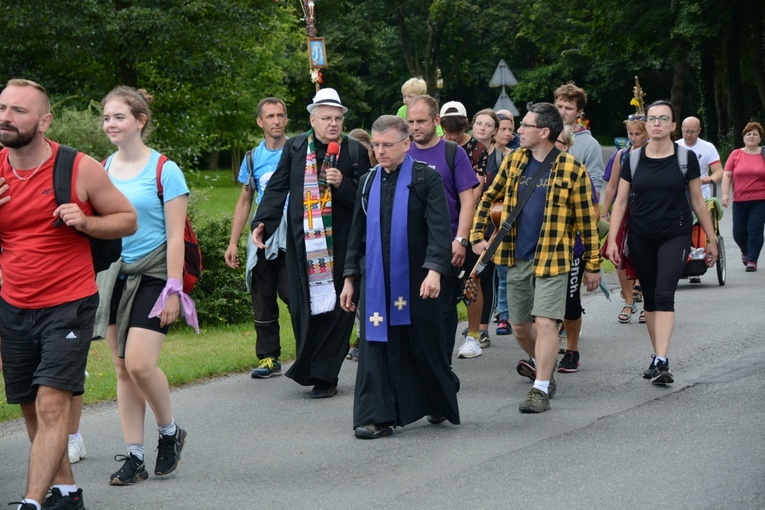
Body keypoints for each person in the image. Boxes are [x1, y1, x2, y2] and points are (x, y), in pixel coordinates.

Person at [0, 79, 137, 510]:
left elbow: (127, 220)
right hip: (13, 303)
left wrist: (86, 221)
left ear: (44, 121)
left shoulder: (77, 168)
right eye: (2, 107)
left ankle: (32, 502)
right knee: (29, 406)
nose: (6, 117)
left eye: (18, 111)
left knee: (52, 404)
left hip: (69, 303)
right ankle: (66, 492)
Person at [96, 86, 198, 487]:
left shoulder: (165, 170)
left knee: (139, 363)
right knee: (122, 368)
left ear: (140, 121)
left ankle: (169, 432)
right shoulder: (102, 168)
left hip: (156, 274)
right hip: (113, 276)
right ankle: (135, 455)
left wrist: (175, 289)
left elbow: (175, 236)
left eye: (118, 117)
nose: (110, 124)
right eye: (106, 118)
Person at [470, 102, 601, 413]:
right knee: (519, 327)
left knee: (545, 323)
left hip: (554, 259)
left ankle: (540, 387)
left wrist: (593, 266)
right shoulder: (515, 160)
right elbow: (490, 196)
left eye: (525, 126)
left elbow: (587, 223)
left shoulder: (572, 169)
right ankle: (544, 364)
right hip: (515, 256)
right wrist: (476, 236)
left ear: (544, 132)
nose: (519, 130)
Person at [340, 115, 460, 439]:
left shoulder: (425, 179)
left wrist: (435, 271)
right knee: (374, 347)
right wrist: (351, 278)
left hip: (418, 282)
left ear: (406, 144)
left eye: (387, 145)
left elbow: (439, 230)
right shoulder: (368, 182)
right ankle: (374, 416)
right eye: (376, 145)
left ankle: (438, 393)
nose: (380, 151)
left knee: (424, 346)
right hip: (376, 282)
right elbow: (357, 235)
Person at [252, 88, 371, 398]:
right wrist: (263, 222)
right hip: (303, 243)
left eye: (338, 118)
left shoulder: (355, 151)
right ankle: (310, 365)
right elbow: (277, 188)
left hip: (342, 243)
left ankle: (325, 376)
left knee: (338, 309)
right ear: (312, 119)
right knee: (304, 308)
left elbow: (368, 196)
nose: (333, 124)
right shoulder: (295, 148)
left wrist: (343, 184)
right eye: (326, 118)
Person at [606, 100, 718, 384]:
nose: (656, 123)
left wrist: (712, 239)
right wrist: (612, 240)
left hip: (675, 234)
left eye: (663, 119)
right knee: (652, 298)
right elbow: (620, 201)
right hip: (641, 236)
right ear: (646, 124)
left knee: (666, 295)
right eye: (652, 118)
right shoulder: (631, 159)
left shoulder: (685, 158)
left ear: (672, 126)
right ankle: (657, 356)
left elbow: (697, 200)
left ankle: (663, 360)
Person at [406, 95, 479, 360]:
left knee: (444, 309)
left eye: (421, 121)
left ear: (436, 121)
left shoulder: (453, 153)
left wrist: (461, 239)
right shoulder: (403, 152)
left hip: (447, 245)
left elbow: (467, 199)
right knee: (414, 309)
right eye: (411, 122)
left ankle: (442, 366)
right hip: (411, 248)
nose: (415, 127)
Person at [225, 98, 290, 379]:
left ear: (286, 119)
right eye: (270, 116)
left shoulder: (299, 149)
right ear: (260, 122)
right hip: (262, 234)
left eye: (280, 115)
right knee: (262, 295)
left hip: (295, 234)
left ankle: (308, 353)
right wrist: (233, 242)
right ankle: (268, 357)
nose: (276, 121)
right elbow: (244, 200)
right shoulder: (253, 157)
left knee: (294, 293)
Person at [440, 101, 491, 357]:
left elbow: (477, 186)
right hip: (442, 220)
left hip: (470, 221)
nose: (452, 134)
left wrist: (465, 219)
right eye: (447, 129)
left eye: (457, 128)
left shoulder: (477, 148)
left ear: (465, 124)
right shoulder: (437, 145)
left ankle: (473, 334)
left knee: (472, 277)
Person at [554, 126, 601, 373]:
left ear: (568, 146)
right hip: (540, 252)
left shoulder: (577, 171)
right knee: (540, 308)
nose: (554, 146)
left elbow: (594, 213)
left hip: (572, 250)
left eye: (559, 143)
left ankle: (571, 351)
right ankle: (540, 353)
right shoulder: (532, 168)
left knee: (570, 303)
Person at [601, 116, 649, 324]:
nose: (634, 138)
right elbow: (611, 186)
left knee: (645, 256)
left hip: (646, 211)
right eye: (630, 134)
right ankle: (629, 301)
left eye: (638, 134)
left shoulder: (654, 154)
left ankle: (649, 303)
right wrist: (604, 212)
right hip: (624, 210)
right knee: (619, 254)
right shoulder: (622, 155)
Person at [345, 128, 376, 362]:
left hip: (376, 244)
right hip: (358, 241)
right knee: (356, 294)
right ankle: (359, 339)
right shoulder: (365, 178)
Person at [721, 121, 765, 272]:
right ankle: (745, 251)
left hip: (760, 199)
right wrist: (725, 194)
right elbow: (727, 175)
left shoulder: (763, 154)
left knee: (755, 229)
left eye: (755, 134)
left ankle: (752, 259)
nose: (751, 136)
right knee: (738, 233)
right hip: (740, 200)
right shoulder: (736, 154)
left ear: (760, 138)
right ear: (744, 137)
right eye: (748, 134)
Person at [554, 83, 605, 196]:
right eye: (559, 106)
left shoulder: (590, 144)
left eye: (568, 108)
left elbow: (595, 183)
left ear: (579, 112)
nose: (562, 112)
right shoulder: (544, 135)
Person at [492, 111, 518, 336]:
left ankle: (507, 315)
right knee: (494, 273)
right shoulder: (486, 155)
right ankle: (500, 312)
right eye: (503, 129)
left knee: (506, 271)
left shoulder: (517, 156)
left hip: (507, 218)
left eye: (511, 130)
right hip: (490, 217)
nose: (507, 134)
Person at [678, 116, 723, 200]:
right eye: (686, 131)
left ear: (699, 130)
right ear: (681, 129)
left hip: (702, 195)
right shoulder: (674, 146)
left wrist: (711, 178)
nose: (689, 135)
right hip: (679, 195)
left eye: (693, 132)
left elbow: (719, 171)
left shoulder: (708, 147)